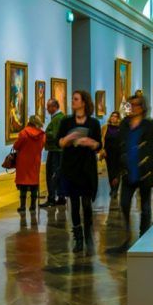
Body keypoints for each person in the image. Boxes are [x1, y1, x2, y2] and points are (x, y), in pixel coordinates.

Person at [109, 95, 153, 253]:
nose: (132, 108)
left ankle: (143, 238)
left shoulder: (149, 126)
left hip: (146, 173)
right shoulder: (125, 125)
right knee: (124, 204)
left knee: (146, 208)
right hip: (129, 172)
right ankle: (127, 236)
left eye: (135, 105)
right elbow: (118, 150)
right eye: (130, 105)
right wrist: (115, 174)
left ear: (142, 107)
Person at [58, 91, 102, 253]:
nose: (72, 101)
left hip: (87, 167)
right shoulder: (66, 122)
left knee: (86, 204)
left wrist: (90, 142)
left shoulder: (93, 123)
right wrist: (69, 139)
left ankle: (88, 235)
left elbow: (99, 146)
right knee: (74, 204)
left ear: (84, 102)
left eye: (75, 99)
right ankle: (78, 238)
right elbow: (60, 142)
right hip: (70, 167)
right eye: (72, 98)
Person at [13, 114, 45, 212]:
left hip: (23, 162)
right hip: (35, 161)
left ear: (29, 121)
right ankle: (33, 206)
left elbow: (16, 146)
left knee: (23, 183)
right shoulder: (42, 134)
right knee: (34, 183)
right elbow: (42, 146)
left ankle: (22, 206)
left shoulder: (23, 133)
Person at [40, 98, 67, 207]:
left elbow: (56, 135)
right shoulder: (60, 117)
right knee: (58, 173)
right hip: (58, 150)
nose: (47, 109)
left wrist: (45, 134)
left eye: (48, 107)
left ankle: (51, 198)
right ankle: (61, 196)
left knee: (52, 173)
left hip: (55, 150)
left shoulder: (57, 119)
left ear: (54, 107)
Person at [101, 111, 123, 196]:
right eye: (112, 116)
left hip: (118, 153)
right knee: (110, 171)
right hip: (108, 153)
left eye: (116, 116)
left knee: (117, 171)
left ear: (118, 118)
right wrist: (102, 150)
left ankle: (115, 189)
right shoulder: (105, 127)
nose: (114, 118)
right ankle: (112, 188)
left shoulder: (120, 128)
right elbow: (102, 139)